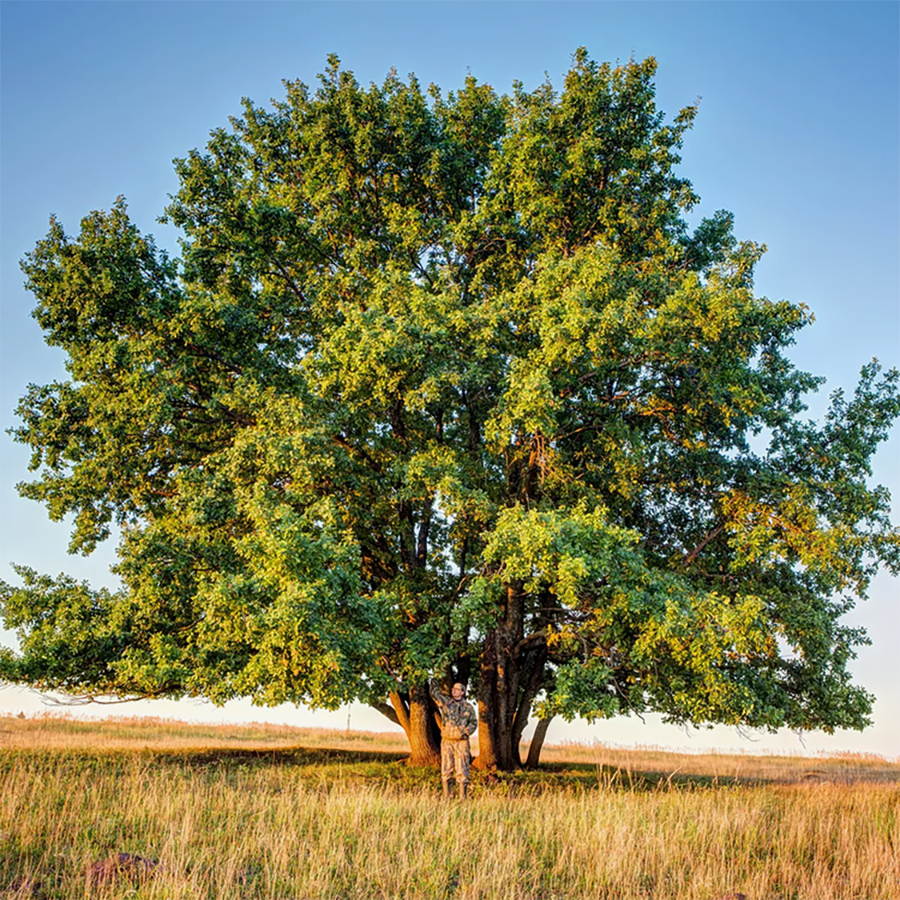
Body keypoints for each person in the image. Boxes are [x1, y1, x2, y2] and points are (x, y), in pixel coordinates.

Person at [430, 679, 478, 799]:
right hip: (447, 741)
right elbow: (434, 693)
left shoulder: (468, 707)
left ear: (462, 692)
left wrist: (464, 732)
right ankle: (447, 797)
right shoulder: (446, 703)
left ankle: (462, 797)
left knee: (462, 769)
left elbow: (473, 723)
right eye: (453, 689)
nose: (454, 691)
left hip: (461, 742)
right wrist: (435, 677)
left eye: (457, 689)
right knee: (446, 769)